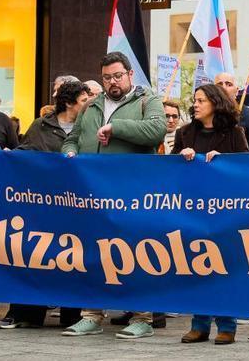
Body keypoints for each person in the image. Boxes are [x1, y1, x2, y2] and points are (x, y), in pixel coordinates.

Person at [59, 52, 166, 340]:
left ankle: (142, 316)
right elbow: (72, 138)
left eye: (118, 75)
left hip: (132, 193)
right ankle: (91, 314)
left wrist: (116, 128)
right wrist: (69, 152)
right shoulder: (92, 105)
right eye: (107, 77)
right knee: (92, 252)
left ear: (130, 74)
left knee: (136, 252)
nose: (112, 81)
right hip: (94, 193)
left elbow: (157, 130)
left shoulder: (148, 100)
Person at [0, 80, 91, 330]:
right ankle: (28, 313)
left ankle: (72, 315)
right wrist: (10, 157)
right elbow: (26, 151)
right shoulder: (42, 125)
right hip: (42, 202)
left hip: (75, 203)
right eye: (84, 100)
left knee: (74, 256)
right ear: (69, 103)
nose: (88, 104)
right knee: (38, 254)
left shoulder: (90, 126)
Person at [174, 84, 249, 345]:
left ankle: (227, 325)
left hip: (225, 211)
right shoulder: (184, 133)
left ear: (215, 103)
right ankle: (199, 324)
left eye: (201, 100)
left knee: (224, 266)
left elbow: (248, 168)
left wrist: (227, 161)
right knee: (197, 265)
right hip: (193, 209)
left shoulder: (235, 133)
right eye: (194, 100)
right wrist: (181, 157)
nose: (195, 105)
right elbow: (169, 171)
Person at [214, 73, 249, 152]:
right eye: (219, 85)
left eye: (229, 84)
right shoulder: (207, 116)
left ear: (237, 91)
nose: (223, 88)